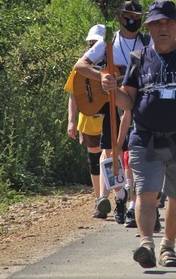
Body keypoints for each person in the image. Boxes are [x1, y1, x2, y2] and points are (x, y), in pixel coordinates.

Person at [103, 0, 176, 269]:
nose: (163, 27)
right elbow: (128, 102)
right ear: (150, 27)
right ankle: (146, 243)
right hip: (145, 138)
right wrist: (112, 88)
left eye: (168, 22)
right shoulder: (139, 59)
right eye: (157, 23)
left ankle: (168, 245)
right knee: (146, 192)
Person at [73, 0, 149, 222]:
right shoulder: (109, 41)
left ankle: (134, 204)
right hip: (112, 103)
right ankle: (119, 196)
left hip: (139, 102)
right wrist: (102, 76)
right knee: (109, 154)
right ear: (119, 18)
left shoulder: (146, 41)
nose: (133, 21)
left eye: (137, 17)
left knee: (135, 154)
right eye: (128, 16)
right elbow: (80, 65)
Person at [67, 24, 106, 216]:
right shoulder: (82, 65)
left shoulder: (113, 62)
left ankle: (123, 198)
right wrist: (71, 121)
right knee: (94, 160)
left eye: (95, 42)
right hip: (89, 119)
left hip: (110, 118)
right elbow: (74, 94)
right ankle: (100, 200)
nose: (92, 45)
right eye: (91, 42)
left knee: (114, 159)